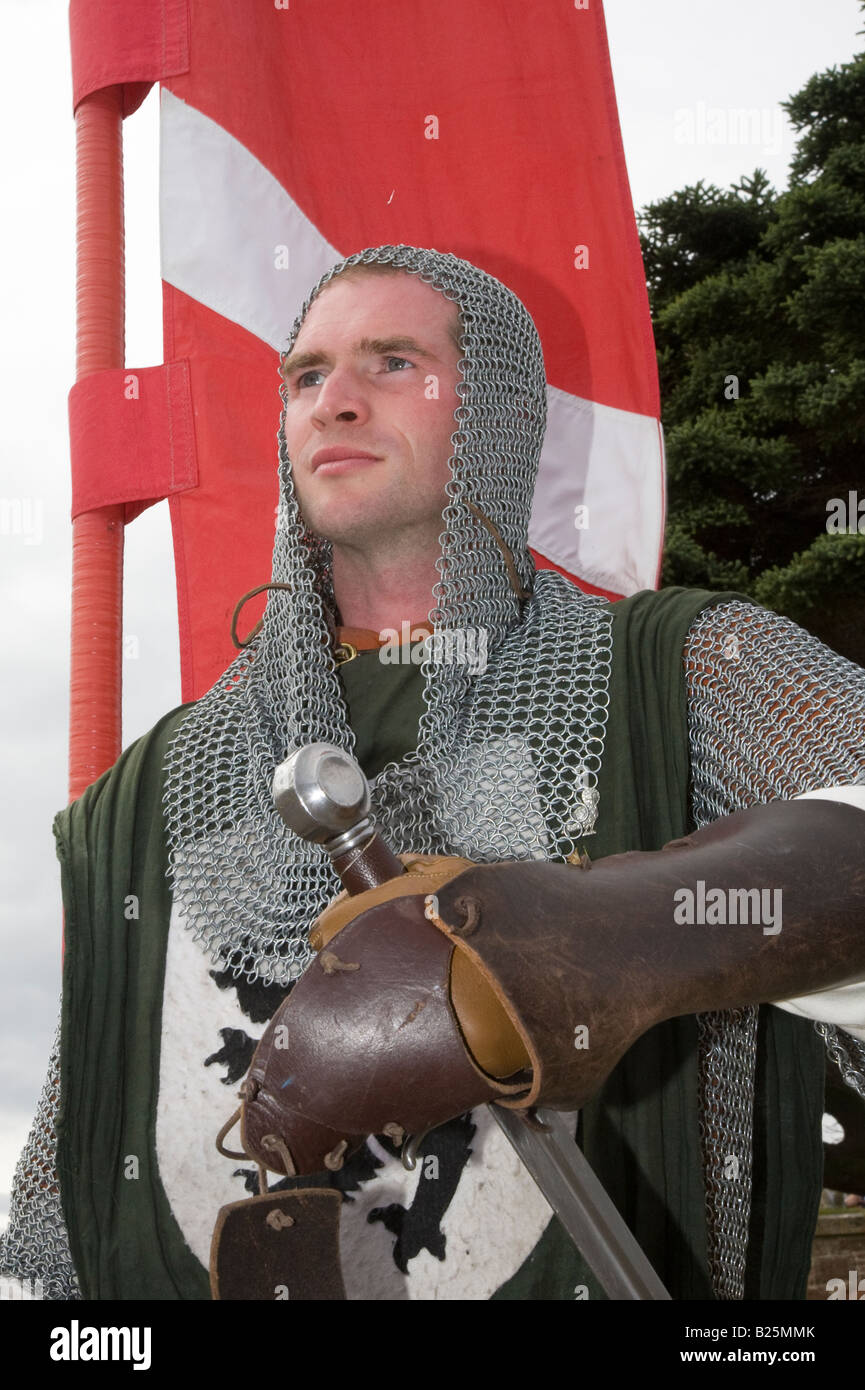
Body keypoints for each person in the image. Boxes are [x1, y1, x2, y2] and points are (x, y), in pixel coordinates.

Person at [2, 245, 864, 1302]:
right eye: (308, 375)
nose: (337, 403)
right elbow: (70, 1188)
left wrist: (590, 937)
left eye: (393, 362)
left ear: (495, 407)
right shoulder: (145, 791)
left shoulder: (684, 673)